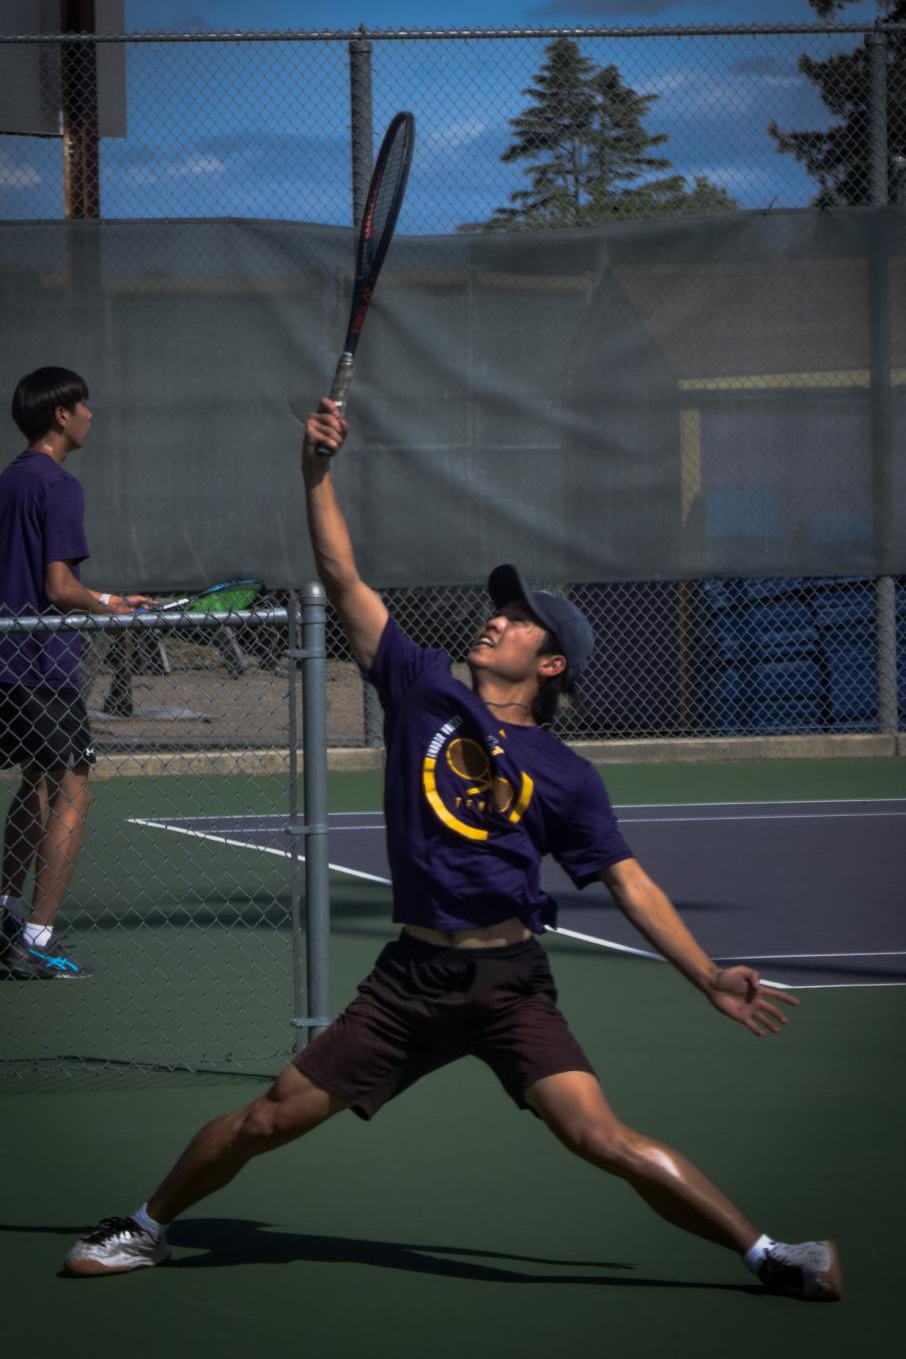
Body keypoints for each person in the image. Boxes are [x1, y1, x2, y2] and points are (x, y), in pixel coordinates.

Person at [62, 396, 841, 1301]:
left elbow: (629, 884)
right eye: (499, 608)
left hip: (510, 985)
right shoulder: (423, 684)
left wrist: (707, 975)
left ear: (551, 666)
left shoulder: (566, 774)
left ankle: (771, 1255)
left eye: (519, 619)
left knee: (602, 1138)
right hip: (408, 983)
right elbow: (341, 572)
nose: (497, 618)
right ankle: (146, 1227)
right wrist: (316, 468)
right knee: (271, 1116)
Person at [0, 367, 154, 981]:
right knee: (72, 785)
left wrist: (107, 597)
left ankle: (5, 920)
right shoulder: (60, 486)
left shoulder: (9, 481)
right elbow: (58, 587)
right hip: (42, 668)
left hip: (7, 666)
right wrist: (109, 606)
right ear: (61, 415)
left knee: (33, 787)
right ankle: (36, 939)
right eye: (84, 406)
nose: (91, 415)